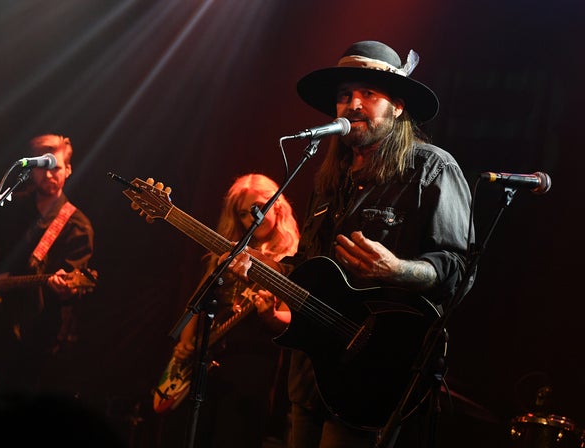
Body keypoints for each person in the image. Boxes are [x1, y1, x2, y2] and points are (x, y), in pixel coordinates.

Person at [225, 40, 476, 448]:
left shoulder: (431, 168)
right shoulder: (328, 179)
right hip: (311, 368)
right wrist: (260, 267)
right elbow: (310, 267)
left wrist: (398, 270)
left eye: (367, 94)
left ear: (396, 106)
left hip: (374, 370)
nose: (352, 103)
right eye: (344, 96)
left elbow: (459, 268)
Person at [0, 134, 95, 416]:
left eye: (57, 167)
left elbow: (72, 284)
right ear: (32, 170)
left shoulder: (77, 225)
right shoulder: (11, 204)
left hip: (29, 338)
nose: (50, 173)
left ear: (69, 170)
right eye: (44, 167)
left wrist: (64, 286)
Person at [155, 173, 300, 448]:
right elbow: (198, 299)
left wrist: (269, 315)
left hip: (251, 365)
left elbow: (289, 321)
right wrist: (187, 343)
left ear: (277, 206)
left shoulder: (290, 259)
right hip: (207, 362)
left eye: (257, 208)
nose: (250, 219)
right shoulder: (228, 250)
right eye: (242, 213)